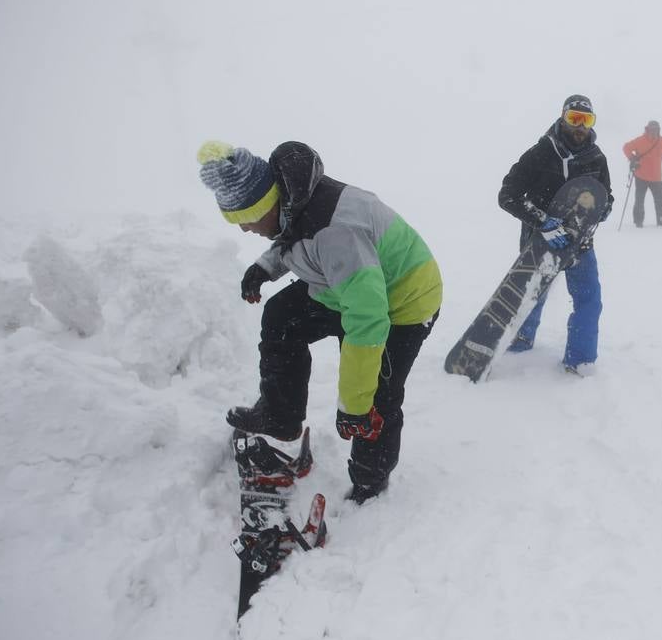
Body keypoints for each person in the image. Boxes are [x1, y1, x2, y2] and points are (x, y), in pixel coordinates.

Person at [197, 139, 443, 504]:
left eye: (245, 219)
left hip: (402, 302)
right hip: (349, 285)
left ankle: (369, 483)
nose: (244, 229)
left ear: (264, 203)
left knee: (377, 399)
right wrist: (265, 267)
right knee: (282, 317)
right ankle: (281, 415)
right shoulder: (292, 198)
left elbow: (368, 322)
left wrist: (355, 407)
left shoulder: (335, 232)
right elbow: (291, 235)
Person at [497, 95, 614, 374]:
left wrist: (603, 210)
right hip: (540, 242)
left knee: (589, 300)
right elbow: (507, 195)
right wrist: (543, 222)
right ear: (563, 117)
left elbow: (606, 197)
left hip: (579, 244)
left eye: (586, 120)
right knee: (533, 294)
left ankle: (580, 360)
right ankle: (521, 340)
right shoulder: (541, 153)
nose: (580, 126)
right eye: (574, 118)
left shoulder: (596, 158)